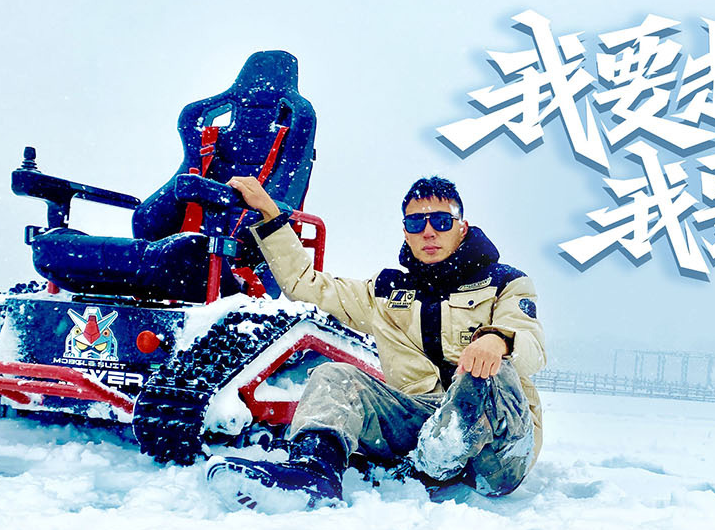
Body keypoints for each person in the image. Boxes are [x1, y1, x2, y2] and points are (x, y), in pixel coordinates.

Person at [205, 176, 546, 510]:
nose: (428, 232)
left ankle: (444, 450)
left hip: (496, 448)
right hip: (422, 420)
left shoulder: (505, 282)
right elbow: (305, 284)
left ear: (461, 226)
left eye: (442, 221)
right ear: (405, 232)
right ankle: (313, 474)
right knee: (335, 376)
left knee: (486, 370)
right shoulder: (385, 292)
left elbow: (531, 343)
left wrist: (496, 340)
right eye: (416, 223)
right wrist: (269, 214)